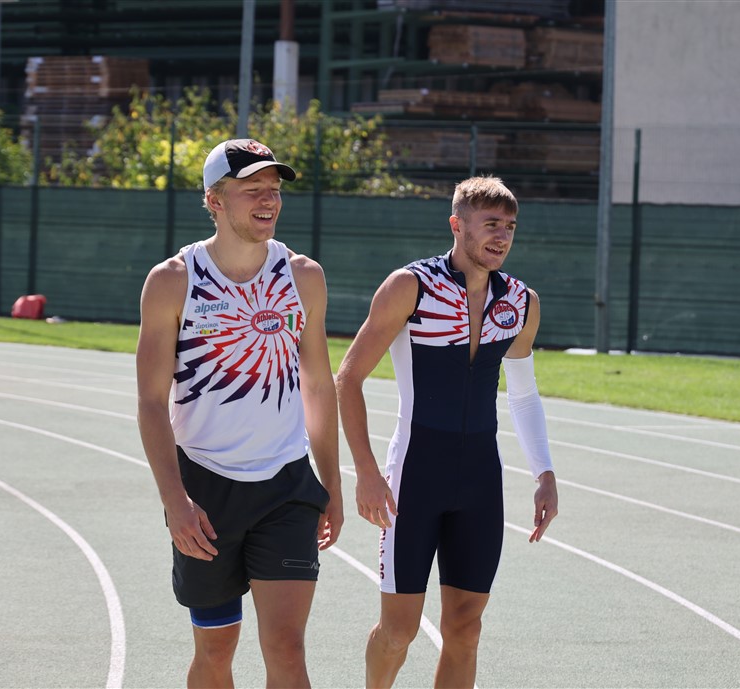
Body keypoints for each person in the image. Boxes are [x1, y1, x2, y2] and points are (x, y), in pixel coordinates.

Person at [335, 175, 559, 688]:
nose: (502, 236)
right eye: (490, 224)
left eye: (510, 226)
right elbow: (347, 379)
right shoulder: (410, 286)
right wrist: (366, 472)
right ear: (457, 225)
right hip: (414, 476)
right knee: (399, 631)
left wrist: (544, 473)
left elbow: (523, 394)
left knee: (466, 628)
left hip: (479, 480)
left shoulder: (521, 301)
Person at [136, 138, 343, 689]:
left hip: (286, 486)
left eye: (274, 189)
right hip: (205, 490)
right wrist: (175, 501)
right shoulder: (173, 281)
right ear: (215, 200)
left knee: (287, 647)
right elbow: (151, 403)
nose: (268, 199)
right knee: (216, 650)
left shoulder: (303, 277)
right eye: (252, 189)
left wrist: (332, 484)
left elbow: (318, 386)